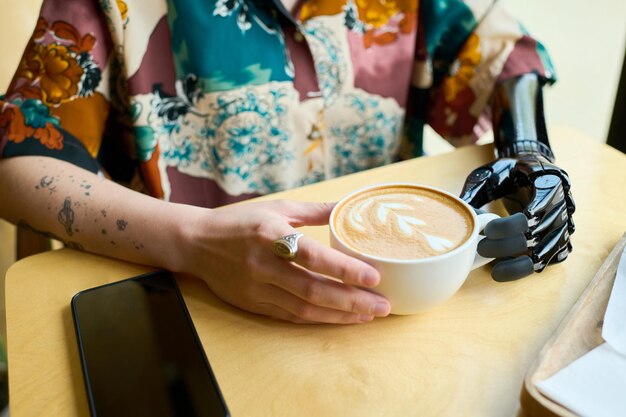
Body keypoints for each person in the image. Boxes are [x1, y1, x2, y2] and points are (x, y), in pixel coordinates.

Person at [0, 0, 575, 324]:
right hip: (193, 314)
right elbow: (16, 160)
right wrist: (194, 240)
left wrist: (529, 153)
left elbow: (503, 57)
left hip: (390, 313)